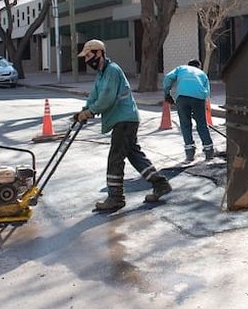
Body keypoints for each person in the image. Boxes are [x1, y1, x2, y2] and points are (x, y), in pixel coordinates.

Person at [74, 39, 171, 212]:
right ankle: (160, 183)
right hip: (123, 119)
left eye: (89, 55)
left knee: (115, 157)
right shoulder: (101, 74)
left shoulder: (112, 70)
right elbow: (94, 95)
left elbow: (106, 98)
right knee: (133, 154)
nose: (87, 60)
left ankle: (116, 197)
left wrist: (90, 112)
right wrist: (84, 110)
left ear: (99, 53)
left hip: (125, 119)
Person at [162, 58, 214, 162]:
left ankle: (190, 153)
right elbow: (207, 93)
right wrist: (200, 108)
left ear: (188, 65)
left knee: (185, 124)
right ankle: (209, 151)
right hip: (199, 97)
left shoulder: (181, 68)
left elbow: (168, 77)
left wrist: (167, 93)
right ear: (198, 66)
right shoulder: (202, 74)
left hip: (182, 97)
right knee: (202, 124)